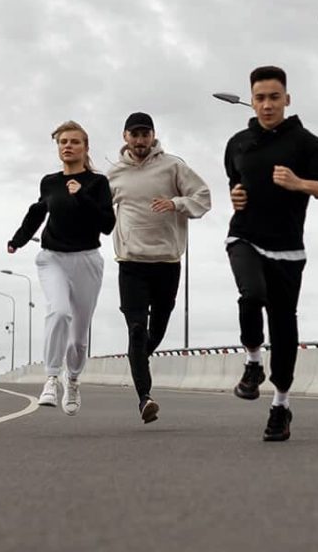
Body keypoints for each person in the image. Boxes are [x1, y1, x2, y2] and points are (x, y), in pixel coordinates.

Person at [224, 65, 318, 442]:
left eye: (274, 97)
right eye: (260, 97)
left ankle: (281, 404)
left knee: (283, 326)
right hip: (244, 236)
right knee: (251, 294)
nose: (267, 104)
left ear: (287, 100)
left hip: (288, 248)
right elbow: (235, 180)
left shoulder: (305, 143)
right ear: (252, 100)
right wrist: (236, 195)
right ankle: (254, 362)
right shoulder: (237, 143)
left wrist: (300, 183)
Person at [106, 111, 211, 424]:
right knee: (136, 329)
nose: (140, 140)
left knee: (157, 329)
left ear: (152, 136)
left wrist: (176, 203)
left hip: (167, 262)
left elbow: (203, 197)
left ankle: (137, 361)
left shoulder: (173, 166)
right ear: (125, 137)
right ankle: (145, 398)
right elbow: (95, 207)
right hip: (131, 263)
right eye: (134, 134)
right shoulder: (114, 174)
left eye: (145, 134)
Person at [7, 120, 115, 416]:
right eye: (63, 142)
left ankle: (74, 380)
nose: (68, 146)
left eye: (74, 142)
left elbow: (107, 225)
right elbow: (38, 212)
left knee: (79, 336)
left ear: (85, 147)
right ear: (58, 148)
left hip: (87, 260)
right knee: (59, 312)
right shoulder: (49, 182)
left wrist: (81, 195)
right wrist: (17, 239)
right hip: (52, 257)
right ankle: (52, 378)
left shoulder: (97, 183)